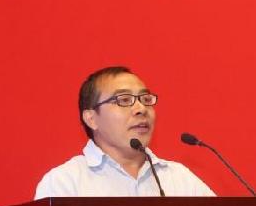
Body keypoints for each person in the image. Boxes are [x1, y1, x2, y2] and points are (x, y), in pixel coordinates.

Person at [35, 66, 215, 198]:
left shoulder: (180, 179)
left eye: (145, 99)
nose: (141, 109)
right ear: (91, 119)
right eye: (124, 100)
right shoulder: (65, 183)